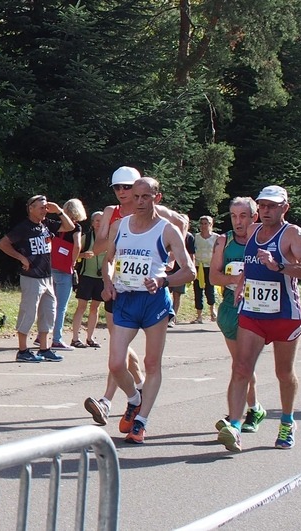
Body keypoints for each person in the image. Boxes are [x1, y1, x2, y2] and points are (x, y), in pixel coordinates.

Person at [83, 166, 189, 427]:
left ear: (154, 197)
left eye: (143, 196)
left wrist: (166, 272)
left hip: (152, 299)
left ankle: (129, 412)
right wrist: (107, 280)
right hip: (124, 296)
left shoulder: (164, 223)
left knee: (150, 361)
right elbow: (105, 255)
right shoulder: (116, 220)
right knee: (117, 359)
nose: (134, 198)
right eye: (121, 189)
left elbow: (187, 263)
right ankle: (134, 394)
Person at [216, 185, 301, 453]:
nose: (266, 210)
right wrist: (241, 282)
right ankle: (235, 426)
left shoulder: (292, 234)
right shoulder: (252, 231)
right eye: (262, 206)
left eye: (272, 206)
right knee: (241, 368)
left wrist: (279, 265)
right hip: (252, 313)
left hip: (284, 315)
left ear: (285, 207)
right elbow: (248, 263)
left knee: (283, 373)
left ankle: (287, 422)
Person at [208, 198, 265, 433]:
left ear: (254, 217)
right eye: (233, 216)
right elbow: (213, 277)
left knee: (243, 365)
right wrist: (235, 279)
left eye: (243, 216)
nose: (238, 221)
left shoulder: (264, 239)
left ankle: (238, 416)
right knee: (240, 365)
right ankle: (253, 408)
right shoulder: (224, 241)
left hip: (256, 309)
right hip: (231, 309)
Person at [0, 194, 74, 363]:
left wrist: (59, 211)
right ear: (30, 208)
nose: (44, 211)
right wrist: (21, 257)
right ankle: (23, 351)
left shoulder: (46, 225)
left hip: (47, 276)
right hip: (31, 277)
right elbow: (3, 243)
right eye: (41, 207)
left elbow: (70, 227)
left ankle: (44, 349)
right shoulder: (24, 227)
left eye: (46, 207)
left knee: (48, 312)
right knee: (28, 313)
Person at [50, 198, 87, 350]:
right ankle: (56, 338)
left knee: (48, 304)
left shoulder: (57, 226)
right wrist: (73, 261)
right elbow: (77, 246)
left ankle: (41, 335)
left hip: (50, 266)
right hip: (64, 269)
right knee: (61, 307)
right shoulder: (76, 227)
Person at [70, 211, 105, 348]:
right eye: (97, 220)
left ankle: (90, 338)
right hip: (86, 276)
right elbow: (75, 253)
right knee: (81, 307)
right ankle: (75, 338)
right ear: (92, 223)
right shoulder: (87, 237)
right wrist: (83, 255)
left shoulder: (109, 238)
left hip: (102, 278)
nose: (99, 223)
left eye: (102, 221)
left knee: (95, 308)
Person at [191, 215, 219, 324]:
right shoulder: (196, 237)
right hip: (199, 266)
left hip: (211, 267)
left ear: (211, 225)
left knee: (210, 290)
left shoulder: (216, 237)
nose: (203, 226)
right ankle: (199, 316)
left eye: (206, 223)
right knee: (198, 290)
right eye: (201, 224)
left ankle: (213, 311)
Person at [167, 232, 195, 327]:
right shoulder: (169, 232)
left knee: (177, 295)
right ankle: (165, 316)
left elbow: (191, 255)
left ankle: (172, 318)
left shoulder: (189, 237)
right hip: (168, 269)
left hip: (181, 270)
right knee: (166, 294)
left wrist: (191, 271)